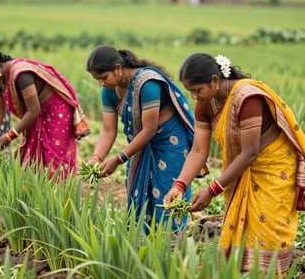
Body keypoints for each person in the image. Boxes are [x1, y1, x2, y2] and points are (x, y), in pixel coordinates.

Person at [164, 53, 305, 274]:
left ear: (214, 80)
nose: (193, 96)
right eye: (189, 91)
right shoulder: (205, 104)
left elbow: (250, 152)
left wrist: (212, 189)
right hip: (242, 168)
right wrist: (179, 185)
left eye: (197, 90)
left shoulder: (247, 99)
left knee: (268, 232)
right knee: (243, 235)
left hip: (273, 168)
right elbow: (199, 150)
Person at [85, 45, 208, 236]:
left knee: (168, 202)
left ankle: (175, 253)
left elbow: (149, 130)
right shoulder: (109, 91)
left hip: (170, 144)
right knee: (140, 204)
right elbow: (108, 131)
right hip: (140, 147)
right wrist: (96, 158)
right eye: (97, 79)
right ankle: (147, 252)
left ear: (118, 68)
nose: (101, 83)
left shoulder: (147, 84)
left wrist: (118, 159)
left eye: (103, 77)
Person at [0, 52, 90, 179]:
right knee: (33, 164)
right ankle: (39, 197)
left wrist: (9, 136)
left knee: (54, 163)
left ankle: (59, 196)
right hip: (35, 115)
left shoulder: (21, 75)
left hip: (56, 112)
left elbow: (33, 110)